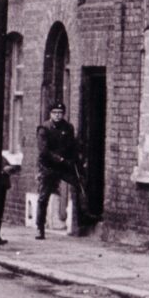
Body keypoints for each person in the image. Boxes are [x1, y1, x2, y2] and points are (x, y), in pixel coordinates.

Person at [35, 101, 85, 239]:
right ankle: (40, 227)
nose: (57, 116)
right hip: (48, 166)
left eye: (60, 113)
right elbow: (44, 151)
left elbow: (71, 146)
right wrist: (60, 159)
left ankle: (81, 222)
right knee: (43, 197)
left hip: (64, 166)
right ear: (50, 114)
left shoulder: (68, 127)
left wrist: (76, 159)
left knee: (79, 184)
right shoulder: (44, 129)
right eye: (55, 113)